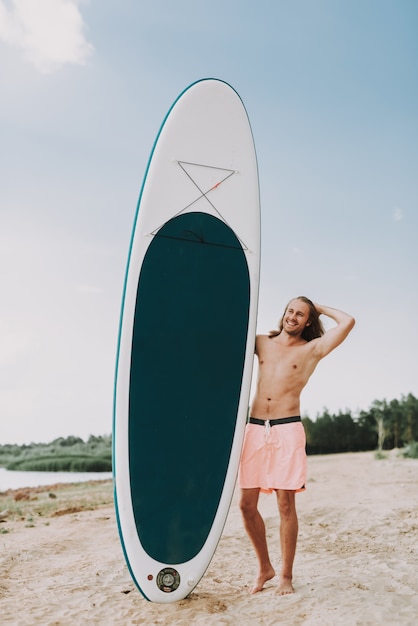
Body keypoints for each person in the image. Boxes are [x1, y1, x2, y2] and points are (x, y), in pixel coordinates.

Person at [238, 296, 355, 595]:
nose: (293, 317)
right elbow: (228, 333)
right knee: (246, 505)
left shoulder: (311, 349)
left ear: (308, 321)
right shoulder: (261, 342)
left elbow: (348, 321)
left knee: (285, 505)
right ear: (284, 314)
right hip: (253, 428)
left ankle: (286, 576)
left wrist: (320, 307)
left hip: (286, 428)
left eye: (300, 314)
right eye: (290, 311)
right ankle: (265, 567)